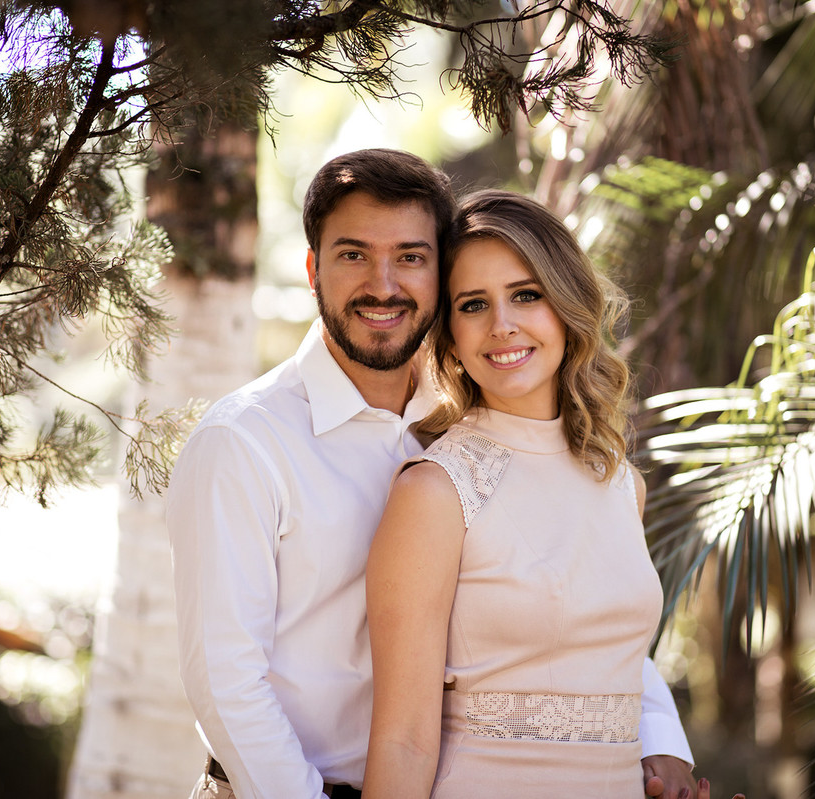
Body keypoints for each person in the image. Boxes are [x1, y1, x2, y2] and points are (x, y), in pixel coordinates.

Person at [166, 150, 697, 799]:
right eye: (354, 254)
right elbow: (226, 680)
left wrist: (661, 737)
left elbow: (566, 612)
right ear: (313, 268)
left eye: (411, 257)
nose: (383, 284)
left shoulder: (475, 427)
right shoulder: (244, 441)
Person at [363, 190, 731, 798]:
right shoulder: (435, 490)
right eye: (473, 304)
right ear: (449, 335)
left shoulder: (620, 484)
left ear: (566, 305)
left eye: (526, 294)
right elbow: (402, 739)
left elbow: (609, 657)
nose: (502, 324)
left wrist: (665, 749)